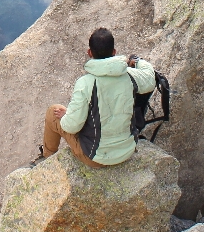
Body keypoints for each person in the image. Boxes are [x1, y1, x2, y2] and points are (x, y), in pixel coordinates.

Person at [42, 27, 156, 168]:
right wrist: (136, 60)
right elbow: (150, 77)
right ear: (114, 52)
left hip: (96, 157)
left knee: (53, 111)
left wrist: (67, 115)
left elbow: (71, 127)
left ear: (89, 52)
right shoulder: (130, 76)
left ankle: (47, 160)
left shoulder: (85, 84)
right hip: (127, 150)